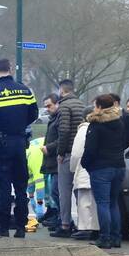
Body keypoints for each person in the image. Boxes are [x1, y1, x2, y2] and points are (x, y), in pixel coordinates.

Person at [0, 58, 39, 238]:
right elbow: (33, 114)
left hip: (1, 143)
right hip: (19, 142)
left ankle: (3, 227)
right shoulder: (25, 90)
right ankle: (20, 227)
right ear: (10, 69)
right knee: (21, 187)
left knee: (3, 187)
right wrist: (18, 126)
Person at [81, 94, 126, 249]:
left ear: (99, 107)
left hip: (101, 167)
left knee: (102, 203)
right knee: (114, 203)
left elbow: (90, 150)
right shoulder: (119, 122)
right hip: (119, 165)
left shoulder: (96, 125)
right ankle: (116, 237)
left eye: (95, 105)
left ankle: (104, 237)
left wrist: (85, 164)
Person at [51, 79, 86, 238]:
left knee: (64, 191)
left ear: (62, 90)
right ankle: (84, 224)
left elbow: (63, 131)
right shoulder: (81, 104)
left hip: (68, 153)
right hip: (81, 152)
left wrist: (60, 152)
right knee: (80, 190)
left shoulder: (63, 106)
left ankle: (65, 224)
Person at [69, 117, 98, 240]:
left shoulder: (83, 130)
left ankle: (85, 228)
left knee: (84, 202)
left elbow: (76, 153)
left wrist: (73, 168)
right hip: (100, 169)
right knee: (96, 203)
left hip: (84, 169)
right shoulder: (102, 127)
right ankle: (96, 228)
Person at [40, 93, 60, 229]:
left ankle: (60, 218)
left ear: (57, 103)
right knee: (54, 191)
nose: (47, 108)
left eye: (49, 105)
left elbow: (63, 138)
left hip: (57, 160)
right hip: (52, 162)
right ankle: (57, 217)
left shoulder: (59, 119)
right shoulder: (54, 118)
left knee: (56, 191)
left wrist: (49, 148)